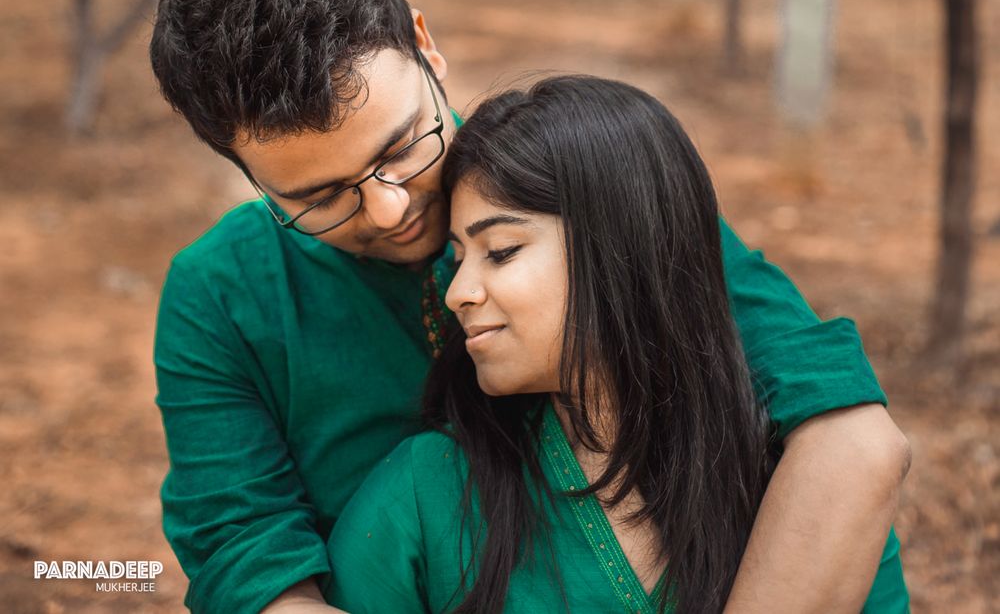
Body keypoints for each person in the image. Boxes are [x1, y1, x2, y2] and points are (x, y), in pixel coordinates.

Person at [150, 0, 910, 614]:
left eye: (398, 147)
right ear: (248, 177)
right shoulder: (220, 295)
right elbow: (245, 558)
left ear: (426, 45)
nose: (388, 209)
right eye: (320, 197)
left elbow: (848, 438)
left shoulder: (580, 184)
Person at [327, 74, 901, 613]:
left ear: (622, 250)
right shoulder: (422, 498)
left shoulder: (806, 487)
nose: (458, 293)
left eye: (500, 251)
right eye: (456, 260)